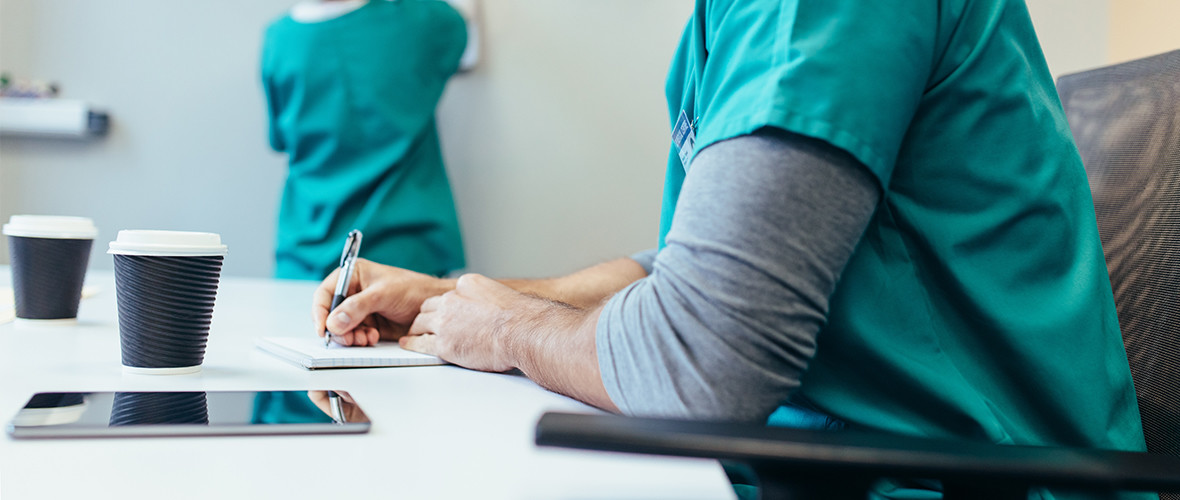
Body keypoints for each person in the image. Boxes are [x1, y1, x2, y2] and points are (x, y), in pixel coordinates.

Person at [311, 1, 1149, 497]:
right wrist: (464, 300)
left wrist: (507, 332)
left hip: (961, 480)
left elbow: (704, 362)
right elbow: (690, 268)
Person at [261, 0, 467, 280]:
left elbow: (280, 139)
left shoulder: (280, 40)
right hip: (404, 261)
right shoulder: (422, 20)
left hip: (304, 259)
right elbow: (458, 35)